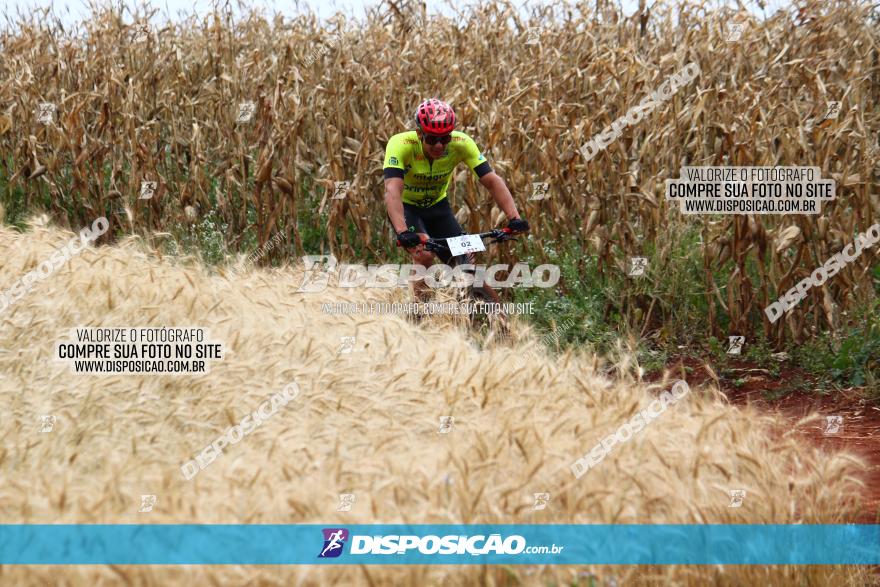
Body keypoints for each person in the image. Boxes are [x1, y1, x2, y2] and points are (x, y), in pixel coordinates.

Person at [382, 98, 529, 301]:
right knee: (424, 255)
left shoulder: (462, 143)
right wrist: (403, 232)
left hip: (438, 209)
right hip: (408, 210)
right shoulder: (401, 144)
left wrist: (514, 218)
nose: (440, 145)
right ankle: (418, 316)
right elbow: (392, 191)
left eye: (445, 138)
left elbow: (492, 181)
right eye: (432, 139)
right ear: (419, 134)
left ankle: (502, 326)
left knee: (467, 268)